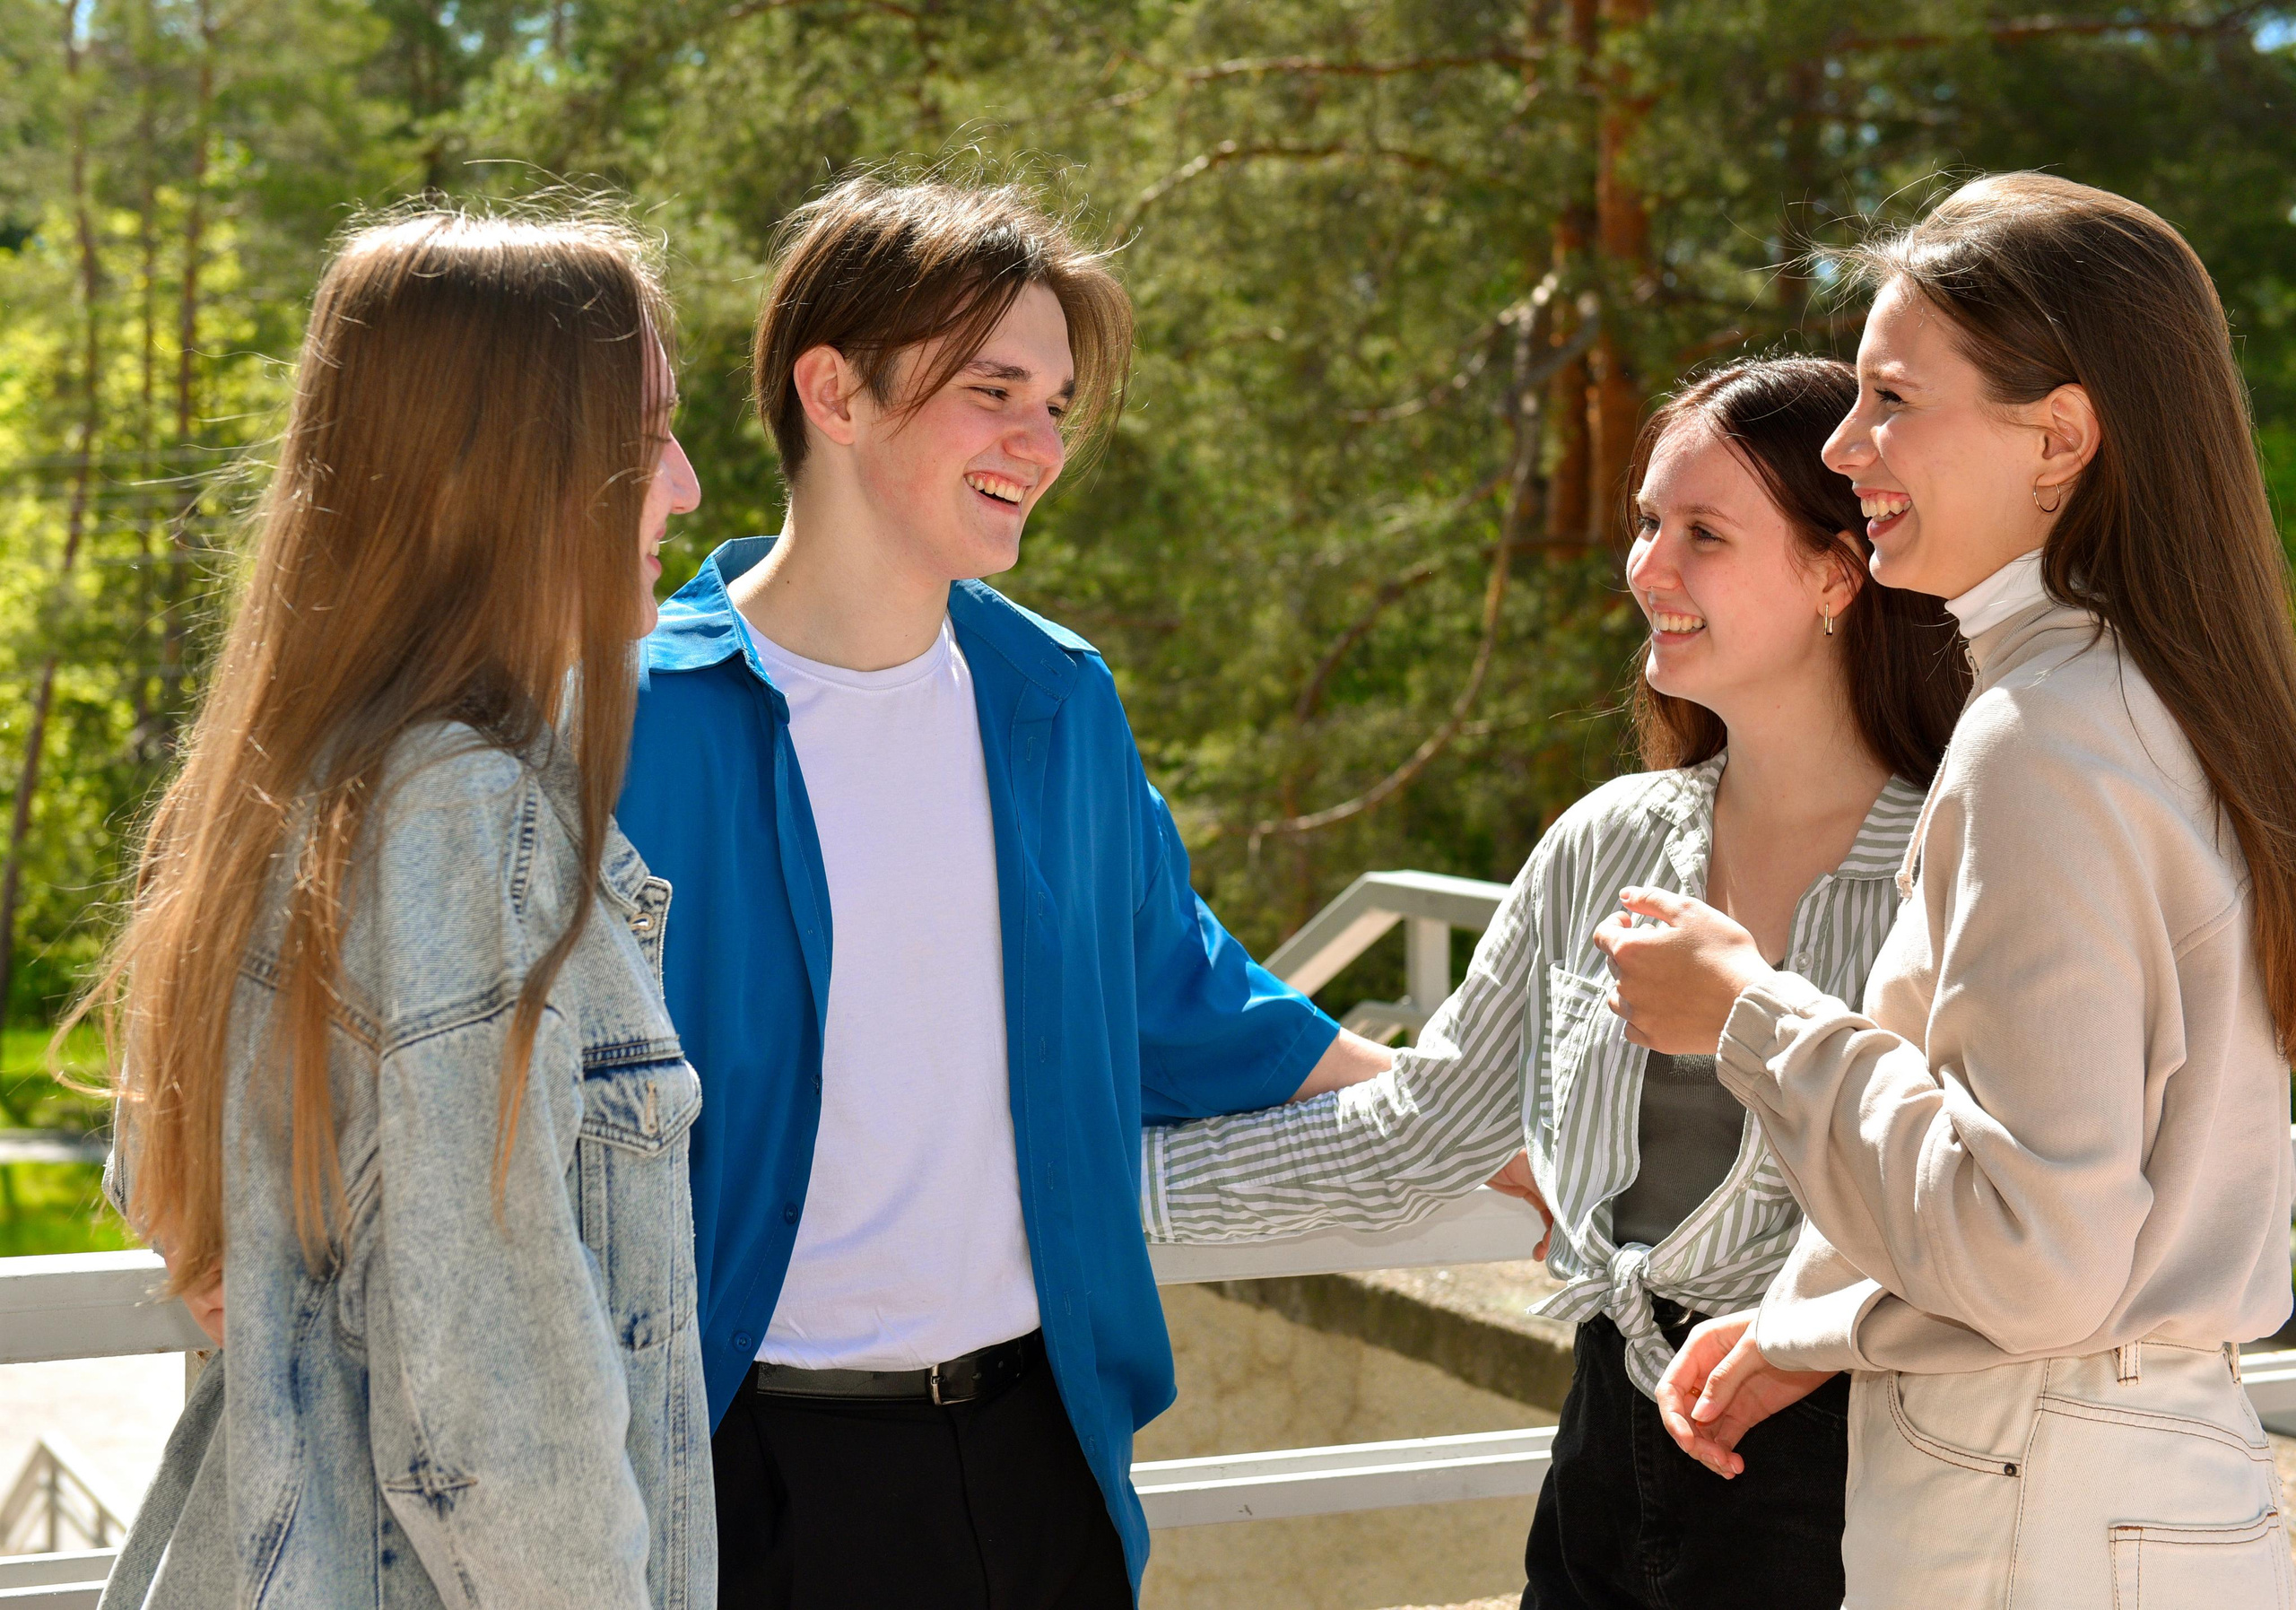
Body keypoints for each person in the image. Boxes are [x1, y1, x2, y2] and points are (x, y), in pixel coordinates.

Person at [612, 173, 1392, 1609]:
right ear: (835, 394)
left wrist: (1455, 1119)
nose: (1039, 444)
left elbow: (1180, 991)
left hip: (1045, 1462)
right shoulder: (633, 721)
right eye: (994, 393)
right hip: (748, 1473)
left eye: (1057, 402)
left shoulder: (1057, 698)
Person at [1139, 355, 1968, 1607]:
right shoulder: (1608, 842)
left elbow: (1987, 1198)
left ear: (1836, 575)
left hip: (1860, 1476)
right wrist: (1081, 1190)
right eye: (1647, 523)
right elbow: (1423, 1127)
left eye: (1703, 533)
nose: (1647, 568)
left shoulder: (1952, 864)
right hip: (1600, 1451)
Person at [1610, 174, 2296, 1608]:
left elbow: (2034, 1250)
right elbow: (2100, 1203)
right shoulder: (2173, 701)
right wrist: (1822, 1321)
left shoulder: (2045, 734)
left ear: (2058, 438)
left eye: (1891, 399)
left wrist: (1748, 1012)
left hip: (2032, 1507)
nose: (1847, 445)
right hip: (2149, 1482)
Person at [82, 209, 712, 1610]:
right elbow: (500, 1445)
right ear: (509, 471)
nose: (679, 483)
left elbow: (171, 1186)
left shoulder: (300, 784)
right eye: (645, 433)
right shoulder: (459, 823)